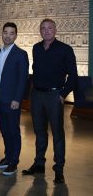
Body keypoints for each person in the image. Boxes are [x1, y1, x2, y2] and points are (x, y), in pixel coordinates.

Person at [22, 18, 77, 184]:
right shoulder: (36, 48)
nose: (46, 31)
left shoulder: (65, 49)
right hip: (37, 95)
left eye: (49, 28)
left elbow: (73, 76)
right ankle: (39, 163)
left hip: (54, 96)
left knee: (58, 134)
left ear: (55, 30)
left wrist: (62, 94)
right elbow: (35, 71)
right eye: (43, 28)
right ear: (40, 31)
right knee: (39, 133)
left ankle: (59, 169)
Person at [0, 22, 29, 176]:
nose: (8, 35)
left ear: (16, 35)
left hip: (12, 100)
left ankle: (14, 162)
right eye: (5, 32)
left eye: (11, 33)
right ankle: (7, 158)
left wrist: (17, 99)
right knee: (4, 130)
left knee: (13, 131)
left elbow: (23, 79)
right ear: (2, 34)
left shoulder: (21, 54)